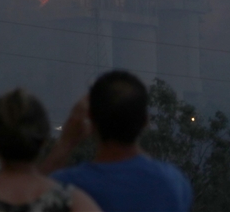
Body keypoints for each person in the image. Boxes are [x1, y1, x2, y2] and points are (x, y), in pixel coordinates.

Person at [42, 71, 193, 211]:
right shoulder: (174, 183)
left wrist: (65, 143)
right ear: (145, 122)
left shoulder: (67, 186)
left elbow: (30, 202)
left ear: (91, 121)